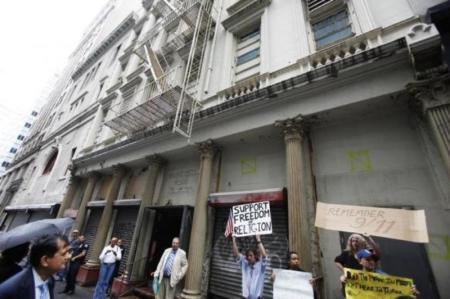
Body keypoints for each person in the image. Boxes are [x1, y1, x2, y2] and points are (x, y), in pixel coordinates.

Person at [0, 234, 71, 299]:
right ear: (45, 260)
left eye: (69, 252)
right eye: (64, 253)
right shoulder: (10, 290)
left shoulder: (50, 280)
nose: (69, 256)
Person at [341, 249, 420, 297]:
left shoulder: (383, 276)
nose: (371, 261)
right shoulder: (353, 276)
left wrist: (411, 292)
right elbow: (347, 295)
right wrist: (343, 283)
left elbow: (396, 292)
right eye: (368, 259)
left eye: (373, 259)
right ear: (360, 262)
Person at [232, 234, 268, 299]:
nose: (248, 257)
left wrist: (258, 240)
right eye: (247, 256)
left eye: (251, 255)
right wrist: (234, 240)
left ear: (255, 256)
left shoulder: (261, 266)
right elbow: (236, 254)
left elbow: (264, 256)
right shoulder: (245, 264)